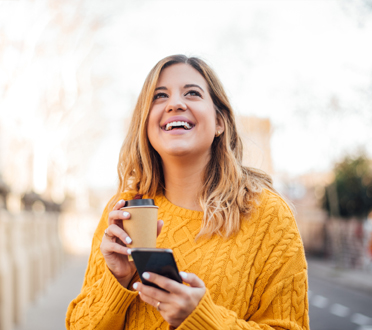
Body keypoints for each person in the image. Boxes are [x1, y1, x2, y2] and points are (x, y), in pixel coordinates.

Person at [66, 54, 309, 330]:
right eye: (159, 96)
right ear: (146, 124)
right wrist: (117, 279)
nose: (175, 104)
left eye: (192, 93)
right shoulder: (124, 209)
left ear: (220, 122)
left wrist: (202, 320)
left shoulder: (270, 216)